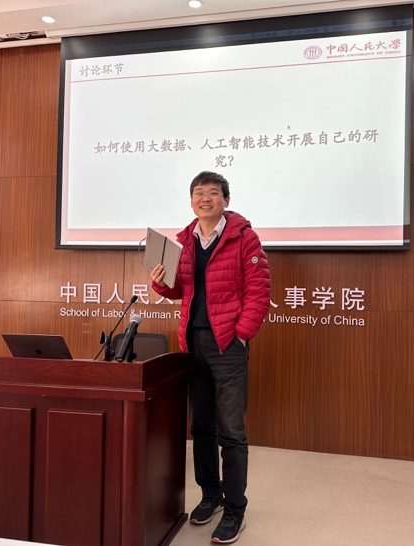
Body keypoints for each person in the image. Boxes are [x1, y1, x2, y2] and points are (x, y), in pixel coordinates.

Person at [150, 170, 270, 544]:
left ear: (226, 200)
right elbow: (179, 291)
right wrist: (160, 282)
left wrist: (241, 334)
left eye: (213, 193)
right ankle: (211, 495)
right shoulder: (184, 241)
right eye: (199, 193)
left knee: (231, 432)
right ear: (191, 201)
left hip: (227, 345)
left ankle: (235, 509)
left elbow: (259, 290)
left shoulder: (244, 238)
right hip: (192, 344)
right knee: (200, 427)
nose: (206, 198)